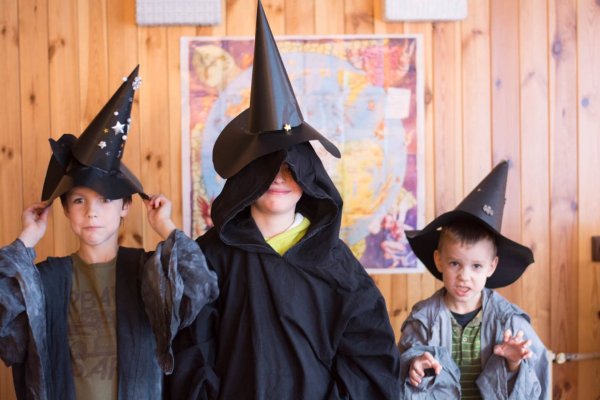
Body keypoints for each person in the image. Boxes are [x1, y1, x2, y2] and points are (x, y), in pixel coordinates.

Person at [168, 2, 401, 399]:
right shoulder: (211, 258)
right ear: (247, 175)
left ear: (310, 177)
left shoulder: (336, 263)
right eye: (267, 166)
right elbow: (190, 349)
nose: (279, 177)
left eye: (292, 167)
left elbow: (369, 356)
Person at [0, 66, 219, 399]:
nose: (92, 212)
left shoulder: (150, 273)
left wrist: (166, 227)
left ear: (125, 207)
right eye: (79, 200)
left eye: (105, 200)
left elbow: (200, 286)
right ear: (65, 209)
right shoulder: (43, 280)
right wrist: (26, 239)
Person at [398, 161, 550, 399]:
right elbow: (403, 363)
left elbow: (537, 382)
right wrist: (414, 364)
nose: (464, 276)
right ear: (439, 260)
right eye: (454, 263)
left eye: (476, 266)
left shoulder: (511, 324)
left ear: (492, 266)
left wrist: (513, 363)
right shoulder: (423, 319)